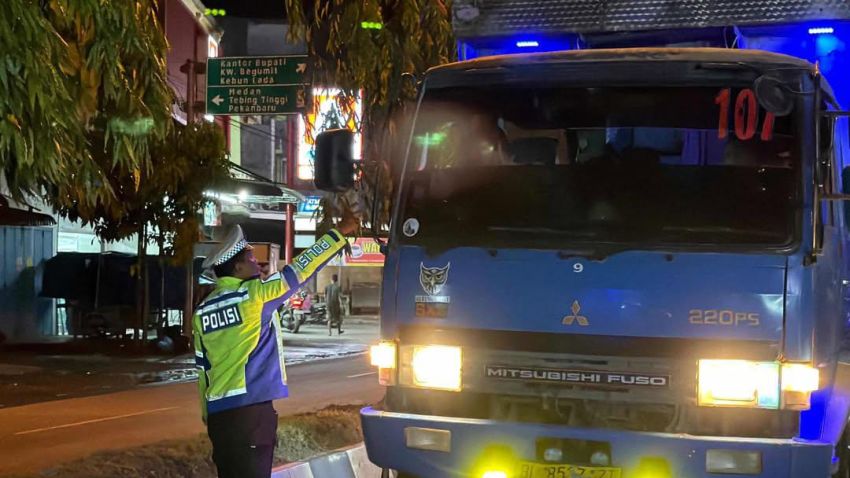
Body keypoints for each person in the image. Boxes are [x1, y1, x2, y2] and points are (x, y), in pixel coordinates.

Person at [193, 220, 354, 478]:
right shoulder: (254, 296)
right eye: (251, 259)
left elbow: (203, 370)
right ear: (237, 267)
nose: (258, 263)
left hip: (218, 419)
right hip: (251, 414)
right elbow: (301, 269)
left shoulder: (202, 310)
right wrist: (339, 233)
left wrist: (207, 413)